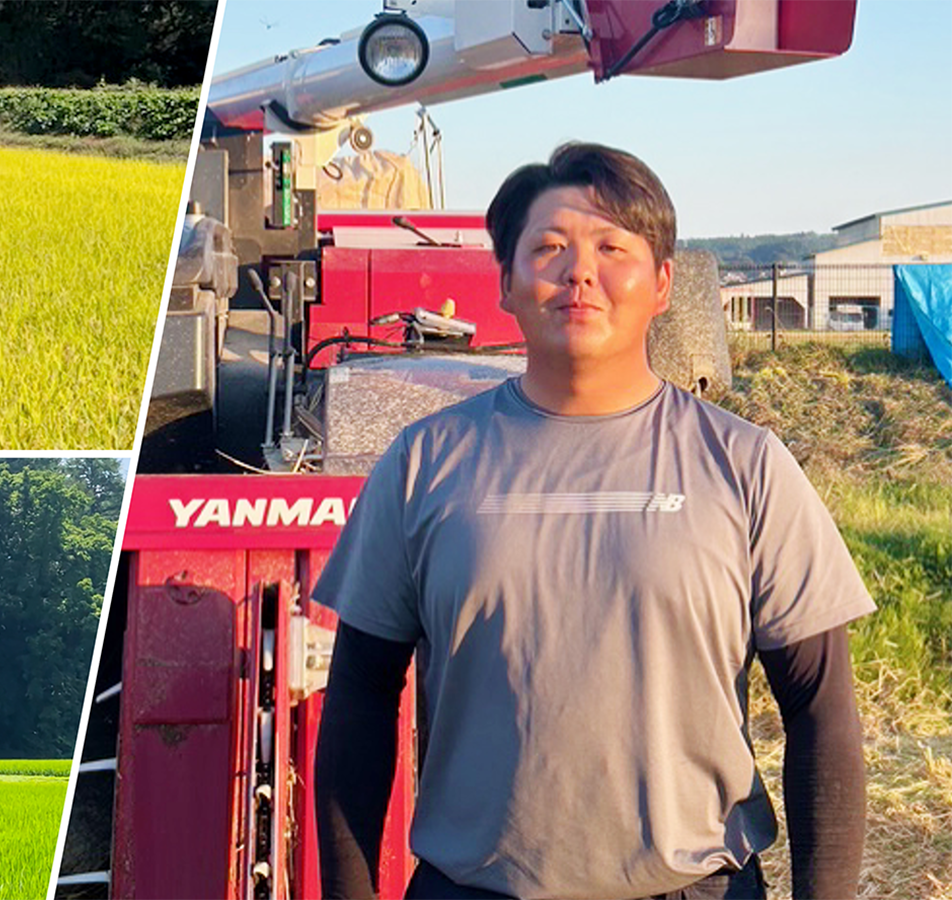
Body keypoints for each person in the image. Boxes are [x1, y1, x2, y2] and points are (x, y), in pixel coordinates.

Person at [312, 143, 872, 900]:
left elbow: (821, 708)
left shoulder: (745, 466)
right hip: (472, 887)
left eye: (612, 248)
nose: (580, 272)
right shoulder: (425, 463)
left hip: (694, 885)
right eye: (547, 249)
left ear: (663, 283)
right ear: (504, 283)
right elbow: (359, 698)